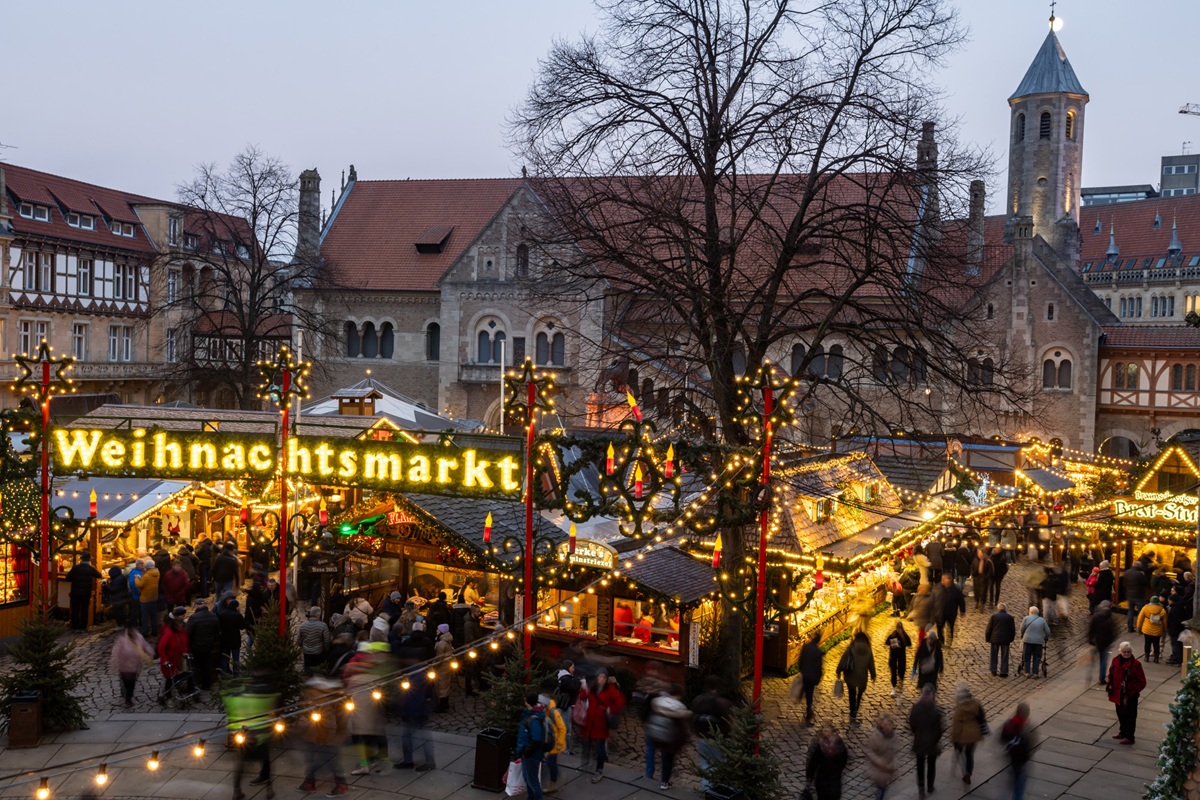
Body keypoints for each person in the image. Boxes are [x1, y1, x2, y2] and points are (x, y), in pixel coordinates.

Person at [225, 672, 280, 800]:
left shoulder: (238, 696)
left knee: (241, 765)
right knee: (265, 761)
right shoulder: (267, 695)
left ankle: (237, 791)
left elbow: (232, 713)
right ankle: (269, 789)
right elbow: (272, 711)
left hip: (244, 736)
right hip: (261, 735)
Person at [297, 676, 349, 796]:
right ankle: (313, 782)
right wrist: (341, 729)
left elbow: (304, 709)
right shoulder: (335, 692)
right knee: (331, 759)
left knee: (313, 758)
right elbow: (342, 714)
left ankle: (312, 783)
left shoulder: (309, 690)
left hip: (312, 730)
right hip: (328, 730)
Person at [578, 670, 626, 783]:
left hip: (601, 723)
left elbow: (620, 701)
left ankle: (599, 770)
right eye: (599, 677)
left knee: (599, 748)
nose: (601, 679)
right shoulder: (592, 687)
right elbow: (582, 697)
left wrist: (611, 709)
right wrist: (584, 691)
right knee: (586, 745)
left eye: (603, 677)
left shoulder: (610, 689)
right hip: (590, 722)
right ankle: (585, 766)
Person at [644, 683, 691, 790]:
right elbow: (681, 726)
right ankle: (664, 782)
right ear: (679, 695)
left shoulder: (659, 701)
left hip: (657, 735)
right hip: (670, 738)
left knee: (663, 757)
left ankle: (655, 775)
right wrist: (685, 739)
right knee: (668, 759)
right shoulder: (679, 706)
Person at [691, 676, 731, 792]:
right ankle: (715, 792)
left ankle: (706, 790)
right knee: (720, 766)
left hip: (702, 739)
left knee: (705, 766)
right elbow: (728, 723)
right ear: (719, 686)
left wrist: (697, 734)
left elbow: (692, 719)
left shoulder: (698, 700)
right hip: (718, 740)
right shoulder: (723, 702)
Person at [1107, 641, 1147, 744]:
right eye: (1124, 652)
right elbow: (1111, 674)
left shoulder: (1136, 664)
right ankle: (1123, 732)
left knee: (1130, 716)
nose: (1126, 654)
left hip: (1129, 695)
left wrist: (1133, 690)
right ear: (1120, 651)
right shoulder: (1115, 660)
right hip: (1117, 693)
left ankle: (1130, 736)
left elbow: (1142, 682)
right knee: (1120, 714)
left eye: (1128, 652)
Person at [637, 661, 671, 780]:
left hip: (649, 722)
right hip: (660, 723)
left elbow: (638, 702)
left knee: (650, 749)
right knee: (663, 750)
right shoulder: (664, 687)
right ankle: (665, 776)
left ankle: (649, 773)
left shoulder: (644, 684)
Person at [397, 667, 436, 771]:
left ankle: (428, 762)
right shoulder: (415, 673)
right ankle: (410, 761)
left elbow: (418, 695)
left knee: (420, 736)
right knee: (408, 735)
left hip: (416, 711)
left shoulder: (417, 675)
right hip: (414, 710)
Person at [908, 684, 944, 799]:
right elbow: (939, 730)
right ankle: (930, 785)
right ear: (933, 695)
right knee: (931, 765)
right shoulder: (935, 710)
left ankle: (921, 789)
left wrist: (917, 734)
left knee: (920, 766)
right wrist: (935, 739)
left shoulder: (915, 708)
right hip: (932, 743)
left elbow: (912, 724)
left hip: (919, 741)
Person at [950, 682, 986, 785]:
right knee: (969, 754)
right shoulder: (976, 704)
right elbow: (982, 717)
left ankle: (962, 770)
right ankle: (968, 774)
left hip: (963, 735)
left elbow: (956, 726)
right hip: (974, 733)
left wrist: (954, 738)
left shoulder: (959, 709)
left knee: (960, 753)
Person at [538, 679, 570, 793]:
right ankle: (556, 777)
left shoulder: (553, 713)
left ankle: (553, 784)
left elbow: (562, 728)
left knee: (551, 763)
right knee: (550, 763)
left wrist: (560, 743)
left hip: (554, 743)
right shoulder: (544, 711)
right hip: (548, 741)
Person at [110, 624, 154, 707]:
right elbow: (116, 652)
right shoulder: (122, 640)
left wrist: (151, 653)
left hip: (134, 667)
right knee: (127, 683)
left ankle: (128, 699)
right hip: (124, 667)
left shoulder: (139, 637)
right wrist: (114, 663)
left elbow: (145, 646)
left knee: (131, 683)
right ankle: (126, 693)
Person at [838, 630, 876, 722]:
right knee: (860, 693)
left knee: (852, 693)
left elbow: (843, 659)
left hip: (851, 675)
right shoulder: (868, 650)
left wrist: (838, 671)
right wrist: (873, 675)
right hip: (862, 677)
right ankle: (856, 708)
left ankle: (852, 710)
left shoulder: (851, 648)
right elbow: (871, 664)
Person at [516, 691, 549, 800]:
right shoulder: (533, 714)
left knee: (533, 780)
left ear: (528, 702)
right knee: (528, 778)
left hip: (532, 755)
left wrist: (527, 752)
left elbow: (536, 738)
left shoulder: (533, 719)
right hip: (530, 754)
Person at [1001, 703, 1034, 800]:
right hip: (1022, 758)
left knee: (1013, 778)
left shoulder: (1009, 724)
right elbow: (1030, 743)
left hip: (1012, 756)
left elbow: (1002, 738)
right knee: (1020, 781)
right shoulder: (1025, 726)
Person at [186, 598, 221, 691]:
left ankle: (197, 683)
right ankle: (207, 684)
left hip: (197, 646)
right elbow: (217, 631)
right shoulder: (213, 616)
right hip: (209, 646)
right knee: (207, 664)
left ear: (197, 606)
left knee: (197, 665)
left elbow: (187, 632)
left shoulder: (193, 618)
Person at [805, 726, 849, 800]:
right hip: (824, 779)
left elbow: (844, 760)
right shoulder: (821, 745)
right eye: (824, 731)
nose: (825, 733)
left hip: (832, 779)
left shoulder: (837, 745)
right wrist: (809, 777)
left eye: (827, 731)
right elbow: (813, 762)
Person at [156, 609, 189, 703]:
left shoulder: (180, 630)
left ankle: (174, 691)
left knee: (177, 676)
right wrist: (165, 660)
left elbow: (184, 642)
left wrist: (185, 652)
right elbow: (161, 647)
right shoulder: (169, 632)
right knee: (169, 678)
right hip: (170, 659)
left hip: (178, 658)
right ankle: (167, 696)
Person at [65, 553, 104, 630]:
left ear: (81, 560)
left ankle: (75, 626)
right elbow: (99, 575)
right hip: (86, 592)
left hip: (75, 591)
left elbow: (68, 578)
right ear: (89, 560)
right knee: (84, 609)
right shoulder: (91, 568)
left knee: (75, 609)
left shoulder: (75, 567)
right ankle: (83, 626)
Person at [866, 714, 896, 800]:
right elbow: (870, 751)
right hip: (878, 769)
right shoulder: (875, 737)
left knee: (883, 789)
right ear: (881, 724)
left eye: (889, 724)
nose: (888, 726)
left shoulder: (893, 736)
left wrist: (893, 764)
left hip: (888, 769)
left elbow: (895, 751)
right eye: (885, 724)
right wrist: (879, 761)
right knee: (881, 789)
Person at [1087, 599, 1116, 685]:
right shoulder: (1110, 618)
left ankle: (1089, 674)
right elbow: (1113, 632)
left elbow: (1091, 629)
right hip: (1106, 643)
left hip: (1096, 642)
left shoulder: (1095, 617)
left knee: (1092, 659)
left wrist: (1090, 640)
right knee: (1103, 661)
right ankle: (1101, 678)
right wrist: (1110, 641)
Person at [797, 633, 824, 723]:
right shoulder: (817, 651)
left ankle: (807, 706)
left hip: (805, 673)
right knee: (810, 693)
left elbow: (801, 659)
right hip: (812, 675)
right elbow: (819, 666)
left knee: (806, 689)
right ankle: (809, 709)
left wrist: (801, 669)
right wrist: (819, 676)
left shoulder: (806, 647)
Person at [985, 602, 1016, 677]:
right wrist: (1011, 639)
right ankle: (1003, 671)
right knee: (1005, 655)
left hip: (995, 638)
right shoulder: (1010, 617)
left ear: (998, 609)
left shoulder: (994, 617)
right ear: (1005, 609)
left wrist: (987, 638)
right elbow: (1012, 630)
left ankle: (993, 670)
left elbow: (988, 629)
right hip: (1005, 639)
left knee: (994, 655)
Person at [218, 597, 247, 676]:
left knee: (225, 657)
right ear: (236, 606)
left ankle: (224, 674)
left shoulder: (221, 614)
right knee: (235, 657)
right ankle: (236, 674)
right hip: (235, 639)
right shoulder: (237, 615)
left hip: (224, 639)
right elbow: (242, 626)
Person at [934, 574, 966, 645]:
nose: (949, 581)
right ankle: (941, 641)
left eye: (950, 579)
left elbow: (961, 600)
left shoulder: (956, 590)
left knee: (950, 627)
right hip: (940, 612)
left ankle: (949, 641)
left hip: (951, 612)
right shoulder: (937, 589)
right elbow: (932, 599)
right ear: (942, 580)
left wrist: (962, 610)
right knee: (940, 627)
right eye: (947, 579)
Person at [556, 660, 581, 750]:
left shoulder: (562, 677)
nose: (574, 669)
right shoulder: (566, 678)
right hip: (566, 705)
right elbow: (573, 688)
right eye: (572, 667)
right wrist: (577, 681)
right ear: (568, 667)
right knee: (566, 727)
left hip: (563, 704)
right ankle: (566, 748)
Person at [298, 607, 332, 673]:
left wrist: (303, 646)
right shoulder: (323, 626)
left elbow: (298, 640)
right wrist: (326, 650)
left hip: (306, 652)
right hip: (319, 652)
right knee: (318, 671)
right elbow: (327, 641)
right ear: (318, 615)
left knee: (307, 670)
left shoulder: (302, 625)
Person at [1019, 606, 1050, 677]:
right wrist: (1045, 638)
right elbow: (1048, 631)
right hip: (1038, 641)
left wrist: (1023, 635)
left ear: (1031, 612)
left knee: (1027, 656)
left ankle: (1027, 672)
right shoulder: (1042, 620)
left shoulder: (1026, 618)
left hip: (1028, 640)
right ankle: (1035, 673)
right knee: (1037, 657)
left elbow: (1022, 629)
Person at [136, 559, 162, 639]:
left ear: (147, 567)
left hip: (145, 599)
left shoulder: (146, 576)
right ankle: (155, 631)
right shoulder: (157, 573)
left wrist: (136, 578)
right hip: (154, 597)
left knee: (145, 617)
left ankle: (145, 632)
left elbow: (140, 585)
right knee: (153, 616)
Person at [1136, 594, 1166, 663]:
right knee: (1156, 644)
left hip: (1147, 629)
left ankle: (1147, 657)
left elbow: (1140, 619)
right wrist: (1165, 629)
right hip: (1158, 630)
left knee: (1147, 643)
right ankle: (1156, 658)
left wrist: (1138, 627)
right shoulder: (1162, 610)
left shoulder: (1145, 608)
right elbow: (1165, 621)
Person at [884, 621, 911, 695]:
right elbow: (887, 642)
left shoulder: (904, 635)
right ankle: (894, 687)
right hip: (893, 656)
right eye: (898, 627)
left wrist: (902, 640)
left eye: (900, 627)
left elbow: (908, 643)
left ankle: (900, 680)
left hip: (901, 656)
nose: (899, 629)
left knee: (901, 670)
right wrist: (892, 643)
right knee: (893, 672)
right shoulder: (893, 634)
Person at [433, 623, 454, 711]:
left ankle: (443, 705)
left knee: (441, 685)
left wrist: (433, 666)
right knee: (445, 684)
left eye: (438, 629)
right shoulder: (447, 641)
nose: (436, 631)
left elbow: (439, 658)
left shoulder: (441, 643)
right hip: (447, 666)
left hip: (442, 667)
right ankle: (445, 703)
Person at [1167, 586, 1190, 665]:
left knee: (1175, 644)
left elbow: (1172, 620)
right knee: (1179, 644)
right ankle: (1178, 658)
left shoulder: (1174, 609)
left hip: (1174, 629)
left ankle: (1176, 659)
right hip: (1179, 628)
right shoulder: (1180, 606)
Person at [1123, 561, 1149, 632]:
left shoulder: (1126, 572)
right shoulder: (1140, 574)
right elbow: (1145, 583)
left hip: (1129, 594)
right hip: (1139, 596)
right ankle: (1139, 628)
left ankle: (1130, 627)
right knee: (1140, 612)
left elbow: (1124, 584)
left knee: (1130, 611)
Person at [105, 564, 132, 629]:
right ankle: (122, 624)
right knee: (120, 612)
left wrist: (107, 585)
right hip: (122, 597)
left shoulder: (117, 579)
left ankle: (121, 625)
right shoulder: (120, 577)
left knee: (118, 612)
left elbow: (113, 589)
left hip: (118, 598)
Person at [972, 547, 994, 611]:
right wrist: (973, 574)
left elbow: (990, 571)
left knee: (983, 592)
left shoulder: (988, 561)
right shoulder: (975, 560)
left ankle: (982, 604)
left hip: (984, 580)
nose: (979, 554)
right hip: (976, 579)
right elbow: (972, 567)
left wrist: (986, 577)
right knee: (976, 591)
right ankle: (977, 602)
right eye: (978, 553)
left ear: (984, 554)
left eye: (980, 553)